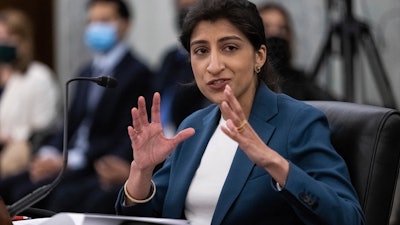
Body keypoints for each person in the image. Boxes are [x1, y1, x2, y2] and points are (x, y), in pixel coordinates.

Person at [115, 0, 365, 224]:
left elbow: (349, 217)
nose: (213, 66)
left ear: (259, 56)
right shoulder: (193, 126)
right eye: (201, 51)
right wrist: (141, 172)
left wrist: (274, 162)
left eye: (230, 48)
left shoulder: (299, 122)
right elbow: (150, 216)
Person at [0, 0, 154, 214]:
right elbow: (69, 123)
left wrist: (66, 161)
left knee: (35, 196)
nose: (95, 27)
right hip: (65, 159)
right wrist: (49, 152)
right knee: (6, 186)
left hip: (92, 164)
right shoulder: (87, 69)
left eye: (104, 21)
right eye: (91, 21)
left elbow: (124, 134)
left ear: (125, 24)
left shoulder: (138, 73)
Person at [0, 9, 60, 178]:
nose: (1, 44)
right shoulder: (4, 76)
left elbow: (45, 126)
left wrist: (10, 136)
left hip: (23, 152)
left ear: (23, 41)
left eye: (7, 39)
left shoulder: (38, 76)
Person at [259, 2, 336, 100]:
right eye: (266, 28)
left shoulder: (300, 81)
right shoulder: (248, 81)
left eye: (282, 29)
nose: (275, 34)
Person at [154, 0, 210, 134]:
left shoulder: (211, 61)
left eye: (192, 7)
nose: (186, 13)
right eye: (182, 8)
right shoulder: (170, 58)